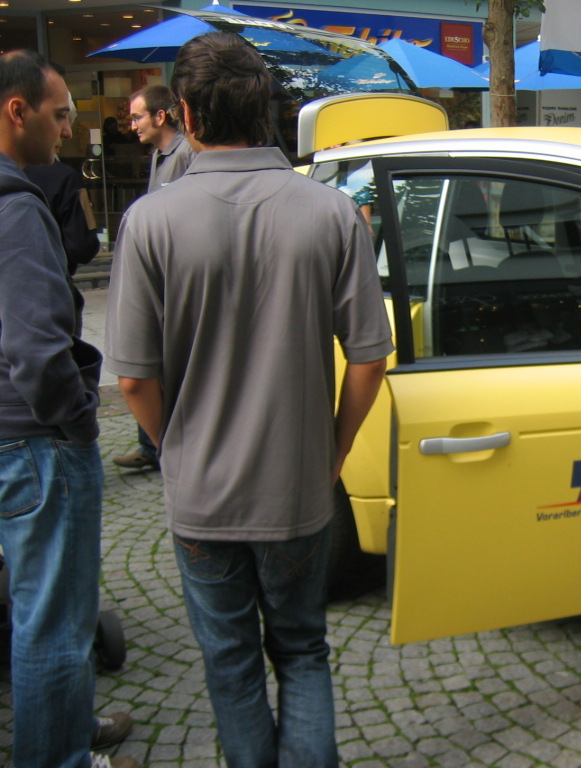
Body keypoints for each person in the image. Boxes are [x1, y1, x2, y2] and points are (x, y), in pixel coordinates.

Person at [105, 32, 393, 767]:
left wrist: (176, 450)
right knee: (302, 649)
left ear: (186, 114)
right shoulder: (331, 213)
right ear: (265, 109)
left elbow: (133, 379)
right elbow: (370, 357)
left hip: (203, 493)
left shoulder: (150, 222)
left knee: (230, 663)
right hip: (296, 485)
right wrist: (333, 451)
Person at [0, 50, 137, 768]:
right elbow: (36, 347)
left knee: (43, 611)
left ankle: (72, 729)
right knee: (53, 619)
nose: (67, 132)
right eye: (59, 116)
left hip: (17, 435)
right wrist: (77, 420)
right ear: (16, 110)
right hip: (37, 440)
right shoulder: (16, 207)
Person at [112, 84, 196, 471]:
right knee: (149, 360)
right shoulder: (159, 156)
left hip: (176, 279)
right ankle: (151, 445)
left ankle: (163, 446)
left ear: (161, 116)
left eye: (137, 117)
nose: (132, 125)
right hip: (157, 277)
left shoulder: (185, 154)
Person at [25, 90, 100, 336]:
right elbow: (83, 246)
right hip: (53, 297)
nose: (67, 131)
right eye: (60, 117)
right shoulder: (64, 178)